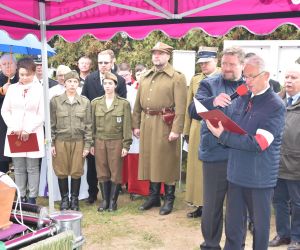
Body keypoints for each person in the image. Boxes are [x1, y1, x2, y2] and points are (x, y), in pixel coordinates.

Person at [206, 55, 286, 250]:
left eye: (251, 77)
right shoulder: (243, 96)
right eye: (245, 76)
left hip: (259, 177)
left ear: (266, 75)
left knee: (259, 227)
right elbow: (236, 127)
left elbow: (260, 142)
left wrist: (222, 135)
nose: (246, 81)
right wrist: (217, 118)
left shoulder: (275, 105)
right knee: (233, 225)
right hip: (236, 173)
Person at [188, 46, 245, 249]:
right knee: (212, 205)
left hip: (241, 154)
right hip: (214, 153)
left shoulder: (249, 86)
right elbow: (193, 110)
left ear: (242, 65)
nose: (227, 68)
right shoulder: (209, 83)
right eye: (224, 63)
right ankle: (211, 244)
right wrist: (212, 101)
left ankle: (235, 245)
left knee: (237, 207)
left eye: (232, 64)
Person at [132, 41, 187, 215]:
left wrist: (176, 130)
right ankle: (153, 195)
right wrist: (136, 125)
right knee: (150, 159)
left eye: (161, 53)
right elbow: (137, 105)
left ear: (168, 56)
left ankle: (169, 198)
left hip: (166, 123)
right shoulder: (145, 76)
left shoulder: (177, 77)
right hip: (147, 122)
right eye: (154, 53)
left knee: (167, 159)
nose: (157, 56)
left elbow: (181, 107)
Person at [82, 50, 127, 204]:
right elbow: (85, 102)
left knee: (113, 166)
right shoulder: (90, 79)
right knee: (94, 165)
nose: (102, 65)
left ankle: (110, 199)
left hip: (113, 132)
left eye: (106, 62)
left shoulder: (119, 80)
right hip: (96, 130)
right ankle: (93, 194)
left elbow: (122, 105)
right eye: (100, 62)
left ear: (112, 62)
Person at [1, 57, 45, 204]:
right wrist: (14, 127)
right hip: (15, 134)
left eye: (27, 74)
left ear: (33, 73)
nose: (24, 77)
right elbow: (5, 111)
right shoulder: (12, 89)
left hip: (33, 133)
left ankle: (32, 197)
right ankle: (21, 195)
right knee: (18, 167)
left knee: (32, 167)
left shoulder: (40, 89)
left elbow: (42, 113)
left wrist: (28, 129)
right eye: (22, 75)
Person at [183, 46, 220, 219]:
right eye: (201, 63)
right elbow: (188, 106)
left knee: (211, 168)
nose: (203, 66)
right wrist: (186, 130)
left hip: (216, 127)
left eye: (207, 62)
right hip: (197, 126)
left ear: (216, 61)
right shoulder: (196, 79)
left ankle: (212, 205)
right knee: (196, 168)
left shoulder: (223, 78)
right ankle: (199, 203)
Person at [50, 70, 92, 211]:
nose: (72, 84)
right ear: (64, 83)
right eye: (69, 81)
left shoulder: (85, 102)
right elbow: (51, 124)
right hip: (61, 141)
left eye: (75, 81)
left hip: (78, 141)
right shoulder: (55, 101)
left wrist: (87, 145)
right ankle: (64, 199)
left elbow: (88, 125)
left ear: (78, 83)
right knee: (61, 170)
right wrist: (51, 143)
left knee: (76, 170)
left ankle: (74, 200)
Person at [269, 63, 300, 250]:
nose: (288, 81)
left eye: (293, 78)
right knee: (278, 200)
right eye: (287, 77)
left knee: (298, 203)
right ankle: (283, 234)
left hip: (296, 163)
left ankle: (297, 237)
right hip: (275, 161)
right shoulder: (276, 101)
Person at [91, 72, 132, 212]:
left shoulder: (123, 104)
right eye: (105, 83)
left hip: (116, 141)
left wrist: (126, 145)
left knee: (115, 171)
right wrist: (91, 143)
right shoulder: (95, 103)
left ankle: (113, 202)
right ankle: (105, 200)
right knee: (101, 171)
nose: (107, 86)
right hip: (100, 141)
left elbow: (127, 126)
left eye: (110, 83)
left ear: (115, 85)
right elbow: (92, 125)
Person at [0, 54, 18, 173]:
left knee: (19, 157)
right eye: (4, 64)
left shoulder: (22, 78)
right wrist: (3, 93)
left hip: (17, 124)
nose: (7, 67)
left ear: (16, 66)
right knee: (2, 158)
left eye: (10, 63)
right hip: (1, 125)